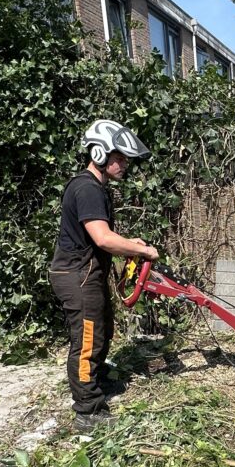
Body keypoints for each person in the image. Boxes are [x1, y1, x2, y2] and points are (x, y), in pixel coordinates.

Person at [49, 120, 160, 430]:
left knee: (102, 330)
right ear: (99, 154)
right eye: (119, 157)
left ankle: (94, 383)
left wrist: (130, 245)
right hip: (76, 275)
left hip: (85, 273)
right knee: (87, 340)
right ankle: (88, 410)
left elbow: (104, 234)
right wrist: (141, 252)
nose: (124, 164)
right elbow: (102, 239)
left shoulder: (94, 187)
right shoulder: (87, 188)